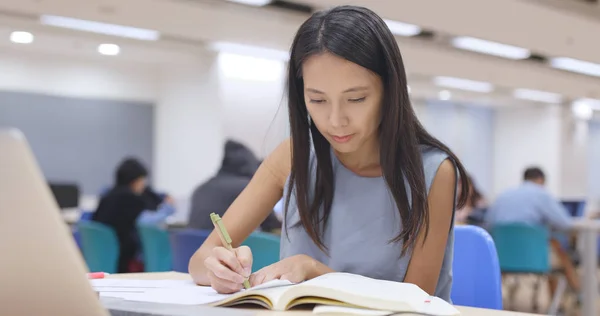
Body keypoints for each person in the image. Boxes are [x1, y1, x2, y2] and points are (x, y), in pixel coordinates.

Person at [188, 5, 470, 302]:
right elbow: (199, 260)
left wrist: (313, 271)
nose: (336, 120)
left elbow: (416, 300)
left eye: (356, 98)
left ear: (390, 91)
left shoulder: (433, 172)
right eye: (318, 100)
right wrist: (220, 269)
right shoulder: (294, 156)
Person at [485, 167, 579, 294]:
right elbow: (565, 224)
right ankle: (574, 299)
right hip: (535, 259)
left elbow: (488, 225)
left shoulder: (503, 195)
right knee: (561, 253)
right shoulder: (542, 195)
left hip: (502, 259)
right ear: (541, 180)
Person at [92, 158, 174, 272]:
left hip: (102, 255)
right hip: (123, 258)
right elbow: (146, 221)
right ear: (135, 181)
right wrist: (168, 209)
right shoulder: (131, 199)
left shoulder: (107, 197)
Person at [188, 140, 281, 233]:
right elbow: (271, 225)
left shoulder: (201, 188)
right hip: (224, 245)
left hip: (194, 246)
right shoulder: (247, 188)